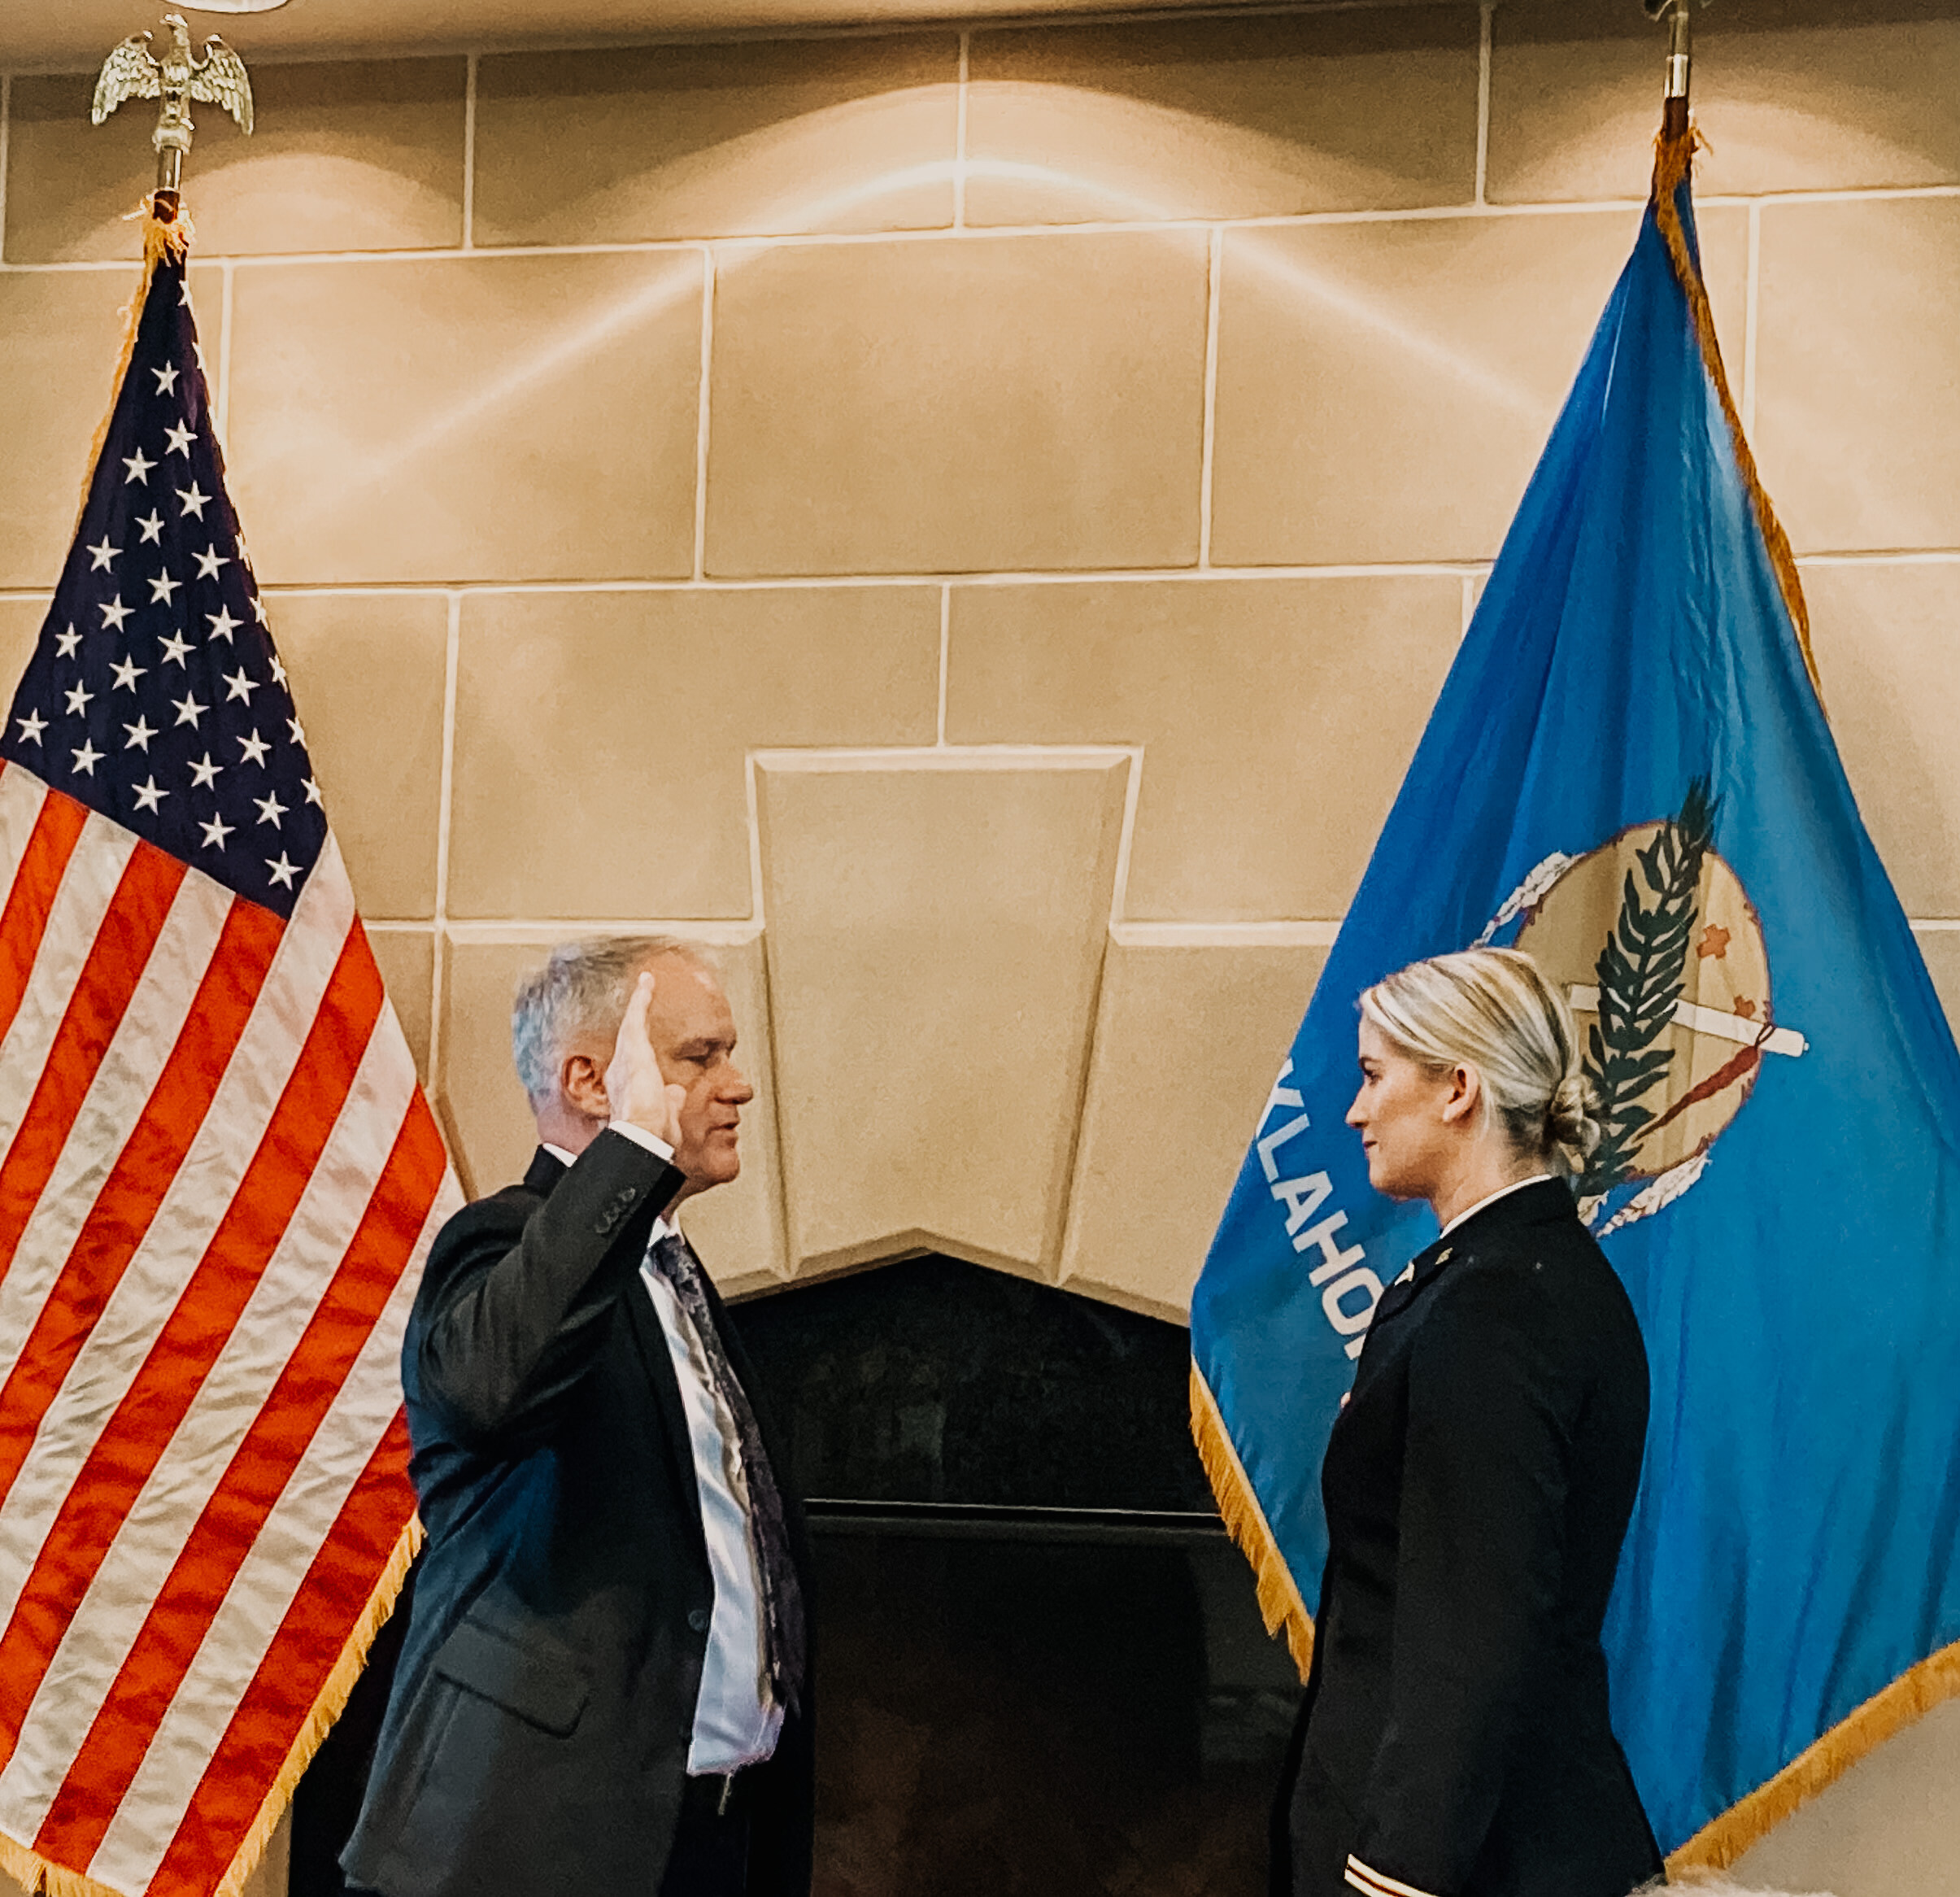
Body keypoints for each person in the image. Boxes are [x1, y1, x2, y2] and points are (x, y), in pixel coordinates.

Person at [342, 936, 813, 1897]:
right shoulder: (499, 1245)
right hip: (527, 1843)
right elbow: (491, 1390)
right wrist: (633, 1152)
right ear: (592, 1081)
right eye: (698, 1056)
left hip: (703, 1835)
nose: (739, 1085)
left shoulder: (675, 1276)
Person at [1278, 947, 1662, 1897]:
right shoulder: (1493, 1278)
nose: (1354, 1112)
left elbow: (1472, 1633)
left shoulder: (1498, 1308)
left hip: (1467, 1860)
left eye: (1373, 1076)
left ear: (1458, 1088)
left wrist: (1395, 1876)